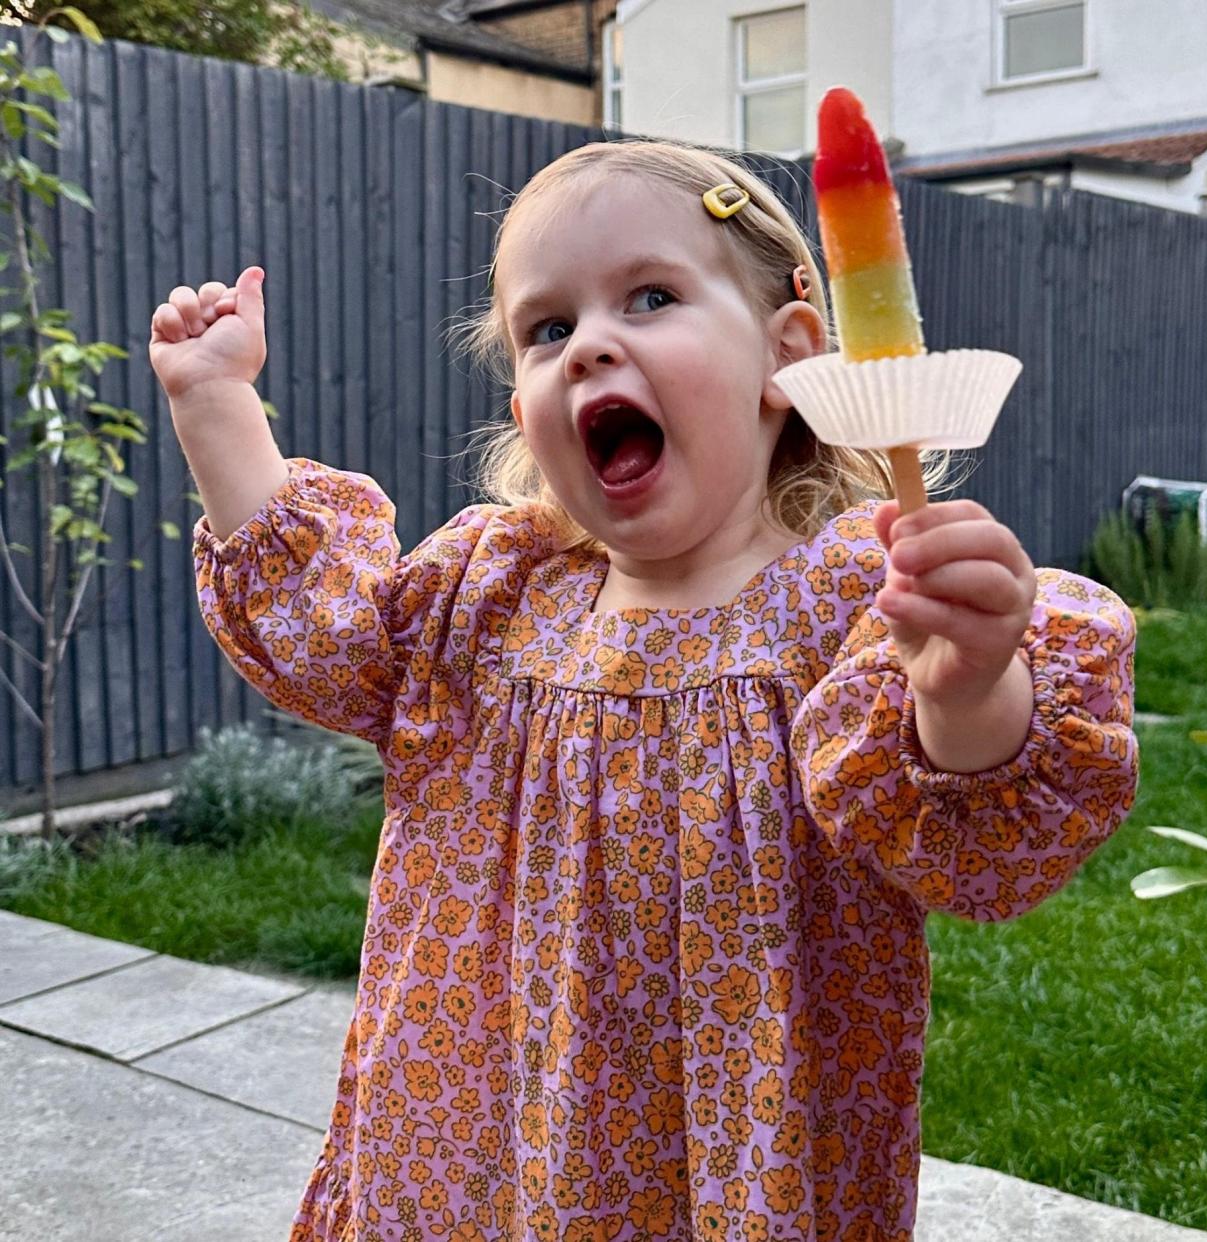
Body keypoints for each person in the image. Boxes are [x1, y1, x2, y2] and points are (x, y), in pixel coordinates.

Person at [148, 139, 1138, 1242]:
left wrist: (964, 687)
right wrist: (217, 408)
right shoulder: (489, 598)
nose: (588, 349)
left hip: (728, 1171)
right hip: (468, 1154)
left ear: (790, 358)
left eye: (651, 297)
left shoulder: (859, 604)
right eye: (547, 328)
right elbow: (324, 637)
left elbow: (974, 840)